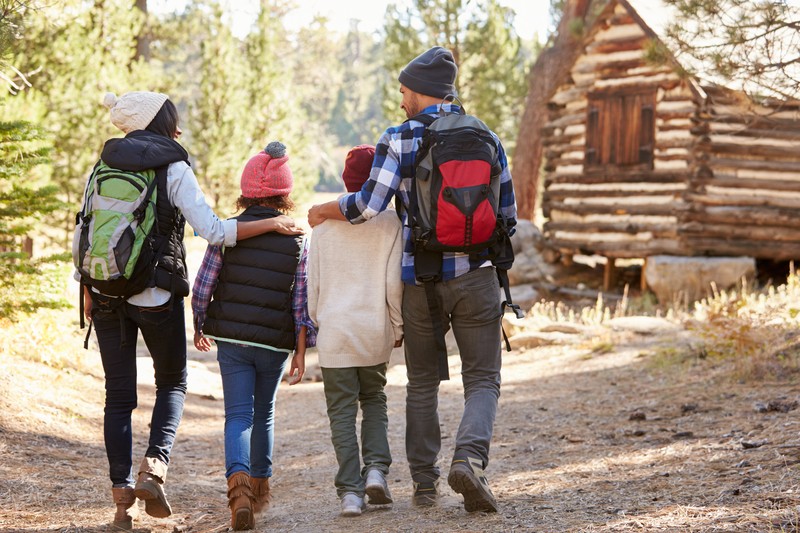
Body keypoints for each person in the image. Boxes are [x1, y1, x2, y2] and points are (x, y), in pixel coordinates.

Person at [79, 91, 302, 531]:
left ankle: (122, 500)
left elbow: (85, 225)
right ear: (162, 123)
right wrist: (273, 223)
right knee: (173, 382)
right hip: (155, 294)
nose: (178, 128)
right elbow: (215, 232)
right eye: (173, 120)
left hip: (104, 292)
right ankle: (154, 469)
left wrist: (86, 285)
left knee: (118, 395)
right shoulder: (174, 168)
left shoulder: (102, 165)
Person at [307, 46, 517, 514]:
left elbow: (368, 205)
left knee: (423, 382)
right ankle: (469, 459)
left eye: (403, 90)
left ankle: (425, 484)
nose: (401, 99)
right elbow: (508, 214)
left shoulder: (399, 137)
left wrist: (324, 210)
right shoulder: (487, 136)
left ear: (421, 91)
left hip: (420, 277)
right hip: (479, 276)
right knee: (483, 379)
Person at [191, 141, 314, 531]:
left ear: (246, 192)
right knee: (265, 414)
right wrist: (300, 348)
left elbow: (203, 285)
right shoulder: (296, 239)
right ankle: (260, 489)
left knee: (238, 415)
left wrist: (199, 323)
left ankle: (238, 492)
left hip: (232, 340)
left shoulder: (228, 233)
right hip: (275, 342)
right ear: (285, 193)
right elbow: (301, 300)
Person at [307, 145, 404, 517]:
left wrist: (321, 321)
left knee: (342, 412)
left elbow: (312, 284)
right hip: (373, 328)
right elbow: (394, 284)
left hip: (336, 330)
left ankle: (350, 492)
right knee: (375, 399)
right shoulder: (391, 223)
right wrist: (396, 325)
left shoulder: (323, 223)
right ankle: (376, 471)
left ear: (347, 180)